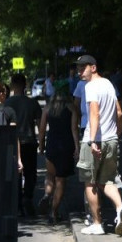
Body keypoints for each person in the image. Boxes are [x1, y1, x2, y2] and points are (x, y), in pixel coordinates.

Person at [75, 55, 122, 236]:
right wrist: (118, 133)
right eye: (78, 68)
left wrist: (92, 140)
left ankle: (97, 223)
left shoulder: (91, 86)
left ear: (93, 68)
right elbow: (119, 112)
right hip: (111, 139)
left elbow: (94, 114)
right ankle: (120, 207)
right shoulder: (108, 84)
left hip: (94, 140)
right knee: (107, 181)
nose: (79, 71)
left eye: (83, 67)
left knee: (90, 182)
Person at [37, 87, 78, 224]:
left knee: (49, 174)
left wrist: (41, 145)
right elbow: (74, 130)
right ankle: (53, 212)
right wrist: (77, 148)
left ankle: (47, 194)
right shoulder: (71, 108)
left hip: (52, 145)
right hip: (66, 146)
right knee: (61, 180)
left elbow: (42, 130)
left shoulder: (47, 109)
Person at [6, 74, 43, 215]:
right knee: (30, 173)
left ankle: (17, 202)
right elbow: (40, 125)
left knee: (15, 173)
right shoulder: (32, 103)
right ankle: (28, 197)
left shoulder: (7, 103)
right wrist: (42, 142)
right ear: (25, 84)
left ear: (12, 84)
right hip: (29, 141)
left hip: (12, 143)